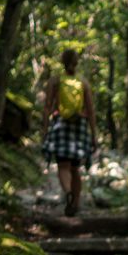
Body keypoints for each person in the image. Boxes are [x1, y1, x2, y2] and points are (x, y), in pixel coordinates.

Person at [42, 49, 97, 216]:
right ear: (77, 62)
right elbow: (90, 110)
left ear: (62, 62)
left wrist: (44, 129)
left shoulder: (55, 81)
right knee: (75, 168)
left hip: (60, 123)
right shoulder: (83, 82)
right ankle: (75, 202)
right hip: (79, 125)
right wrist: (94, 134)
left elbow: (47, 107)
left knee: (63, 166)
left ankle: (67, 192)